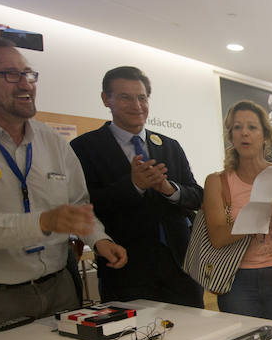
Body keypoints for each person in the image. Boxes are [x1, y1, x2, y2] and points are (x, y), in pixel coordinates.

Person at [0, 33, 126, 329]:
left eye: (28, 74)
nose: (26, 84)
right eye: (11, 75)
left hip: (59, 290)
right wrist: (44, 222)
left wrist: (99, 239)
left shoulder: (51, 141)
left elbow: (78, 205)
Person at [71, 66, 204, 308]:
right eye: (125, 97)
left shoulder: (169, 145)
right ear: (106, 99)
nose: (137, 105)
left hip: (181, 266)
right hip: (126, 269)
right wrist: (133, 186)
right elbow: (86, 205)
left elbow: (196, 196)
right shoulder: (84, 148)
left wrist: (169, 189)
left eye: (142, 98)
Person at [202, 101, 272, 323]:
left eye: (252, 127)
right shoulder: (216, 182)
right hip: (235, 278)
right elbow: (218, 238)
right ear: (230, 135)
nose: (244, 133)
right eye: (237, 127)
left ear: (265, 135)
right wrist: (260, 215)